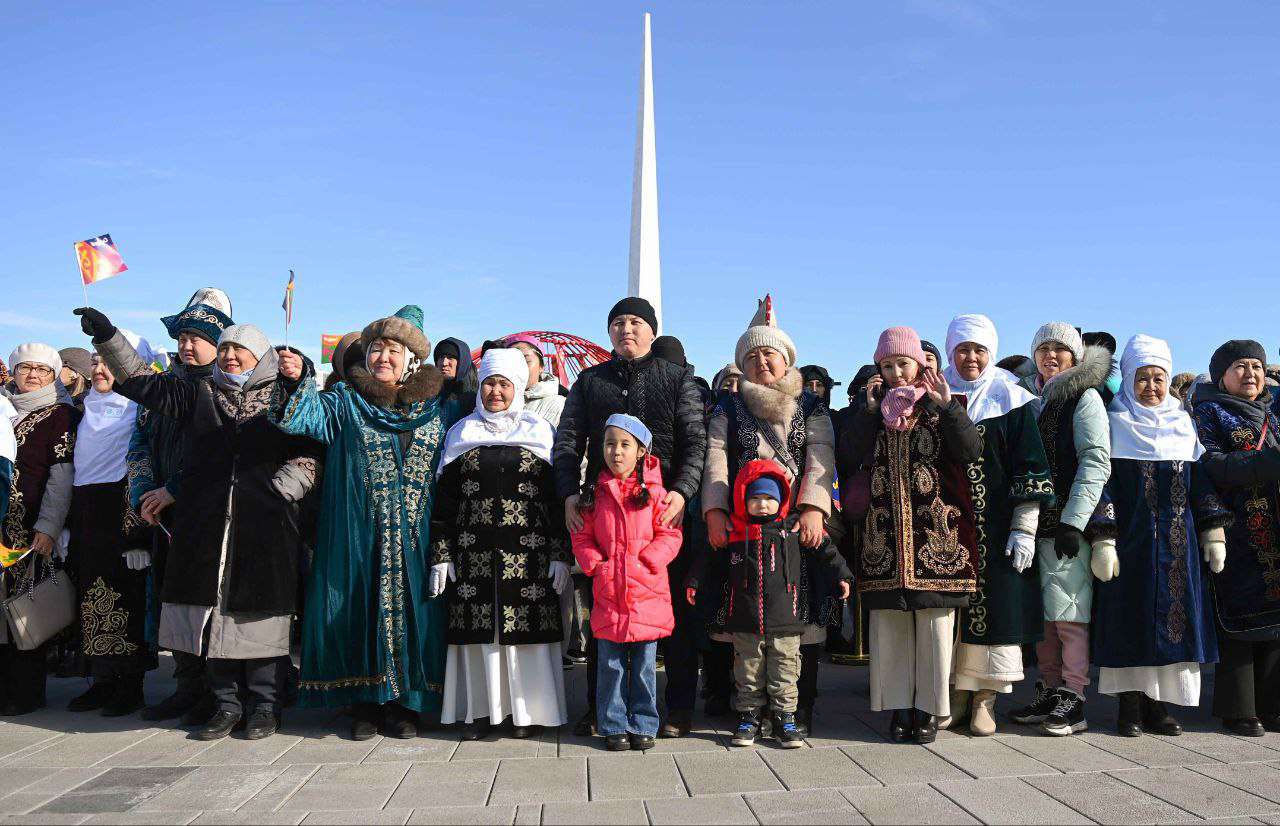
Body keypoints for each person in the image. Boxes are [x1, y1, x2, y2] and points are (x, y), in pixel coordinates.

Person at [80, 307, 320, 741]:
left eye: (240, 350)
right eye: (225, 348)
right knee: (212, 618)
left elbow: (309, 449)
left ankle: (264, 706)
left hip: (263, 525)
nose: (229, 356)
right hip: (205, 524)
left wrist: (286, 487)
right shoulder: (200, 394)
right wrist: (109, 337)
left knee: (259, 616)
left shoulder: (285, 399)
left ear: (262, 356)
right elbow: (142, 383)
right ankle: (226, 704)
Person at [275, 305, 460, 740]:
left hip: (418, 536)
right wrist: (296, 376)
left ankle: (407, 705)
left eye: (393, 351)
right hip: (356, 533)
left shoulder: (440, 409)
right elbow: (299, 419)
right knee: (356, 607)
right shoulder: (346, 402)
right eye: (376, 349)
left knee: (419, 616)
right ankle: (364, 704)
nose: (383, 358)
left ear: (412, 360)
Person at [552, 296, 706, 737]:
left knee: (671, 613)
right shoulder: (589, 381)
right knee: (606, 613)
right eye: (618, 322)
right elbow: (568, 442)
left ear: (652, 331)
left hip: (664, 513)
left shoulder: (678, 378)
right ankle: (602, 709)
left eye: (636, 322)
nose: (626, 330)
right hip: (605, 513)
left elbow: (695, 440)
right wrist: (567, 494)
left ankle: (676, 709)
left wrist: (683, 491)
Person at [838, 326, 983, 744]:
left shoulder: (943, 406)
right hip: (886, 543)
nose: (898, 373)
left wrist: (948, 410)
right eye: (888, 365)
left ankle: (928, 710)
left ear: (919, 364)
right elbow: (849, 456)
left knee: (935, 629)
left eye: (903, 363)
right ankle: (898, 708)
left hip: (937, 539)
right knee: (889, 629)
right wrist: (866, 414)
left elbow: (971, 451)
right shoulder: (871, 413)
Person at [702, 296, 838, 735]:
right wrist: (716, 511)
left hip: (796, 525)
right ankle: (744, 706)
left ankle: (799, 707)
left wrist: (814, 507)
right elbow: (716, 458)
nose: (763, 361)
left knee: (804, 615)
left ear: (786, 359)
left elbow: (821, 455)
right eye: (753, 355)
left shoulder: (812, 407)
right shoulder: (728, 406)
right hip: (744, 526)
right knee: (740, 616)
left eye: (770, 353)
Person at [1088, 334, 1230, 736]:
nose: (1151, 387)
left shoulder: (1183, 424)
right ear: (1130, 378)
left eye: (1158, 378)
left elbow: (1201, 482)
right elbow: (1104, 485)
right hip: (1130, 547)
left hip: (1178, 547)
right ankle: (1129, 706)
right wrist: (1103, 537)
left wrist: (1213, 531)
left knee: (1174, 623)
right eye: (1143, 378)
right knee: (1131, 621)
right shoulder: (1114, 424)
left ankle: (1159, 705)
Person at [433, 348, 571, 739]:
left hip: (528, 557)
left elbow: (556, 501)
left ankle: (525, 714)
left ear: (519, 387)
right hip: (472, 555)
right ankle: (479, 712)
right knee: (479, 640)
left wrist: (561, 554)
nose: (496, 392)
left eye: (504, 384)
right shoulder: (461, 434)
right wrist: (441, 555)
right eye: (490, 383)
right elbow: (444, 503)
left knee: (524, 639)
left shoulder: (538, 432)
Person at [941, 315, 1053, 737]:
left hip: (998, 525)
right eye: (963, 349)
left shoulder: (1013, 399)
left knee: (997, 610)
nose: (971, 358)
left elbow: (1031, 467)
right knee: (951, 613)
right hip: (947, 526)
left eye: (979, 350)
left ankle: (985, 696)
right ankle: (954, 691)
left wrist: (1025, 527)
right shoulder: (936, 395)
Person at [127, 289, 234, 724]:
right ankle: (186, 684)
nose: (187, 345)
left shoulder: (223, 388)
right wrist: (145, 492)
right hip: (162, 514)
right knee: (172, 603)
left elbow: (217, 451)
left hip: (206, 512)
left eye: (196, 337)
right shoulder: (164, 385)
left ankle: (216, 690)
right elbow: (138, 442)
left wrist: (173, 488)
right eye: (183, 336)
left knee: (207, 602)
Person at [695, 459, 850, 748]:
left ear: (781, 500)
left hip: (786, 617)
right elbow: (710, 562)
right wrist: (695, 583)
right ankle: (749, 717)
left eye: (769, 498)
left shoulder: (791, 528)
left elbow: (826, 550)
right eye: (755, 498)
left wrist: (842, 576)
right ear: (744, 500)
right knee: (748, 670)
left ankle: (785, 720)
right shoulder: (735, 532)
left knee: (786, 670)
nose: (762, 504)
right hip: (746, 618)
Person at [1009, 323, 1112, 736]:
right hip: (1028, 524)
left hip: (1065, 524)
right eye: (1043, 348)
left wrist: (1075, 520)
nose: (1051, 355)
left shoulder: (1083, 397)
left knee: (1070, 615)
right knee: (1043, 617)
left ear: (1075, 357)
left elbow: (1095, 460)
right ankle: (1050, 688)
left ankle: (1074, 695)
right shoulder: (1026, 397)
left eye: (1060, 349)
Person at [571, 414, 682, 751]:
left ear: (640, 452)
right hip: (609, 594)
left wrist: (650, 561)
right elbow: (583, 537)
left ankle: (645, 722)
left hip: (647, 594)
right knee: (611, 665)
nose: (616, 452)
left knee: (646, 667)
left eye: (624, 444)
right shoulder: (594, 494)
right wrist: (597, 564)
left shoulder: (655, 493)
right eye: (609, 444)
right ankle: (613, 723)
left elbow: (670, 534)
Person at [66, 335, 158, 718]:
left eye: (108, 361)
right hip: (88, 513)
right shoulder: (83, 408)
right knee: (90, 597)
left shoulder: (138, 409)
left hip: (122, 512)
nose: (100, 369)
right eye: (94, 361)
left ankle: (129, 684)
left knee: (126, 598)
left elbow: (144, 466)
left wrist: (138, 536)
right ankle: (100, 680)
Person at [1192, 339, 1280, 736]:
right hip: (1238, 531)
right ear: (1221, 375)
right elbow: (1211, 465)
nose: (1251, 374)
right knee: (1239, 622)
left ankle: (1274, 706)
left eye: (1257, 367)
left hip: (1275, 530)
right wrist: (1268, 462)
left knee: (1277, 621)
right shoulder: (1208, 413)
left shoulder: (1274, 413)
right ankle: (1238, 709)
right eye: (1241, 367)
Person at [0, 343, 78, 716]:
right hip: (1, 529)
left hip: (29, 530)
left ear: (53, 375)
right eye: (25, 368)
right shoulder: (4, 409)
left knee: (25, 609)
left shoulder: (60, 416)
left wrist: (48, 526)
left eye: (42, 370)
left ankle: (26, 692)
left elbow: (60, 478)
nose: (32, 375)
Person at [504, 334, 565, 428]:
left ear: (541, 367)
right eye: (511, 362)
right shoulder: (490, 403)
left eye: (526, 361)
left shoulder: (561, 405)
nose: (518, 367)